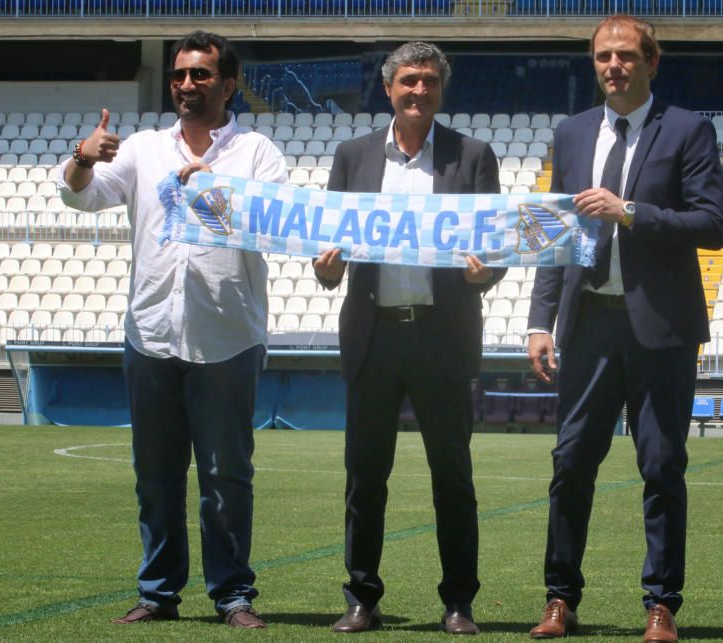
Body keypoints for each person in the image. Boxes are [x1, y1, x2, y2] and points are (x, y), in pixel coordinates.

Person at [58, 31, 287, 629]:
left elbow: (273, 226)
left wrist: (213, 194)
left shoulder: (258, 151)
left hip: (228, 336)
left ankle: (233, 594)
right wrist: (83, 157)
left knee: (226, 477)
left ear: (228, 84)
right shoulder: (141, 147)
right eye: (181, 75)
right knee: (156, 476)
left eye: (202, 75)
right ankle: (158, 592)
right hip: (151, 333)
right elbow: (82, 198)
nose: (188, 84)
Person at [525, 15, 723, 642]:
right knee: (569, 465)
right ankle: (560, 599)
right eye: (602, 58)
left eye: (625, 56)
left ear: (651, 62)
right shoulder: (573, 131)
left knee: (663, 466)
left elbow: (712, 224)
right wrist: (539, 321)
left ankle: (661, 604)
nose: (612, 66)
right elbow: (557, 236)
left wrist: (631, 212)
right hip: (587, 327)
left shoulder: (689, 129)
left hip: (661, 329)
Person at [312, 41, 503, 636]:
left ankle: (459, 602)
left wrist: (485, 273)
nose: (418, 91)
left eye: (429, 82)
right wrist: (325, 268)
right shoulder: (353, 155)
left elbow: (494, 247)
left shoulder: (472, 156)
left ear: (440, 91)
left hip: (442, 338)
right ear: (388, 88)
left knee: (453, 477)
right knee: (364, 478)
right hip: (373, 337)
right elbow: (329, 255)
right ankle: (361, 598)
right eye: (408, 81)